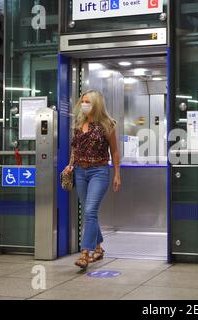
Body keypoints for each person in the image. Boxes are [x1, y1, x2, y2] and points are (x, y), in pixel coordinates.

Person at [64, 90, 121, 269]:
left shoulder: (107, 124)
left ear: (96, 104)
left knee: (89, 210)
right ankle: (98, 247)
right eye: (82, 101)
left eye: (87, 101)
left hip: (99, 171)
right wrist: (70, 164)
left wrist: (117, 174)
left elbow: (115, 151)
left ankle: (85, 254)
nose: (84, 104)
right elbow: (75, 149)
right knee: (90, 213)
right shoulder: (78, 123)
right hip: (80, 171)